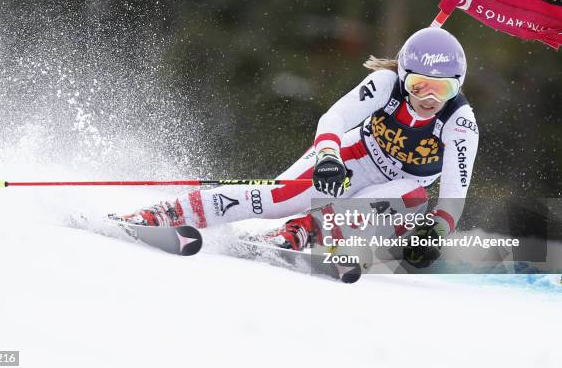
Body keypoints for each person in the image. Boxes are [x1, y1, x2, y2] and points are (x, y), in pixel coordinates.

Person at [122, 27, 479, 268]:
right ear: (403, 77)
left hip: (399, 184)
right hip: (354, 157)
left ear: (457, 87)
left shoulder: (460, 122)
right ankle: (168, 213)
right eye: (418, 86)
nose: (428, 99)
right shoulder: (386, 84)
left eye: (441, 90)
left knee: (414, 200)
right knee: (276, 198)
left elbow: (453, 195)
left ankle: (304, 231)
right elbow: (335, 118)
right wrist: (328, 156)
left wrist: (435, 234)